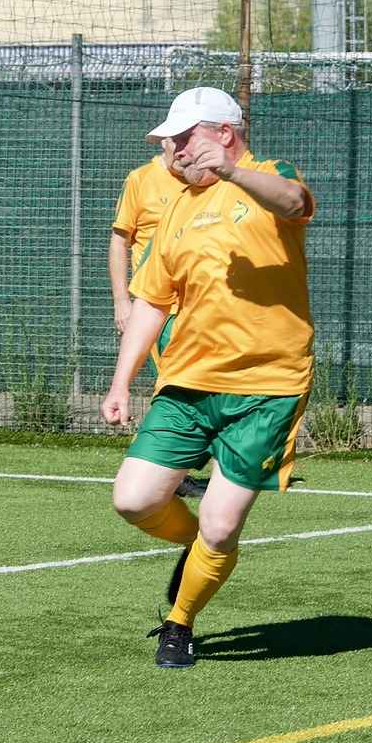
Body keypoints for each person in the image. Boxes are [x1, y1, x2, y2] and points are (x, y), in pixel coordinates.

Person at [100, 87, 315, 668]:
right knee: (134, 500)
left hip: (268, 387)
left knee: (221, 530)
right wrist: (121, 382)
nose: (172, 149)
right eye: (168, 141)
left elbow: (294, 202)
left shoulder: (269, 176)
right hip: (188, 385)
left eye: (183, 137)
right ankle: (195, 549)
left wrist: (235, 173)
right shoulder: (174, 210)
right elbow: (151, 302)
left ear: (224, 132)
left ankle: (180, 621)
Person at [109, 137, 209, 500]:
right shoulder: (141, 179)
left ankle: (181, 462)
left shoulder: (207, 183)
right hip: (159, 309)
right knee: (174, 385)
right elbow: (120, 240)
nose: (183, 149)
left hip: (203, 309)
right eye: (176, 140)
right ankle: (164, 467)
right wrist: (122, 301)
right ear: (166, 143)